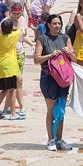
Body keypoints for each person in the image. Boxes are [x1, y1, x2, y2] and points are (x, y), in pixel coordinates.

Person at [33, 14, 77, 151]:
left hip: (63, 78)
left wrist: (69, 52)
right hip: (48, 76)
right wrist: (51, 55)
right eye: (54, 23)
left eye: (59, 23)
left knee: (61, 109)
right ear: (48, 25)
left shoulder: (65, 38)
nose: (57, 26)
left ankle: (59, 139)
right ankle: (50, 139)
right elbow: (36, 59)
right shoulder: (42, 38)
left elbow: (75, 59)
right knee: (51, 109)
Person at [0, 18, 22, 120]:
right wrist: (13, 28)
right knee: (12, 90)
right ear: (10, 28)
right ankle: (12, 113)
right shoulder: (13, 36)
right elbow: (20, 29)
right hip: (10, 66)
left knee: (5, 89)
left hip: (1, 65)